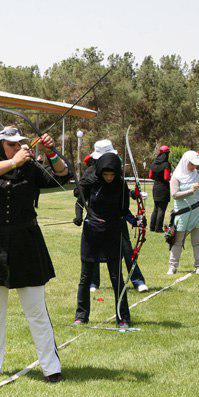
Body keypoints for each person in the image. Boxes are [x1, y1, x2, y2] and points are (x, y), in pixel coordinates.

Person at [0, 126, 69, 383]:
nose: (18, 147)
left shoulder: (29, 166)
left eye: (19, 143)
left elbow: (62, 175)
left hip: (26, 244)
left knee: (36, 312)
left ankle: (51, 367)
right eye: (11, 144)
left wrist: (52, 152)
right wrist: (13, 162)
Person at [74, 151, 141, 328]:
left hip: (112, 233)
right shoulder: (91, 181)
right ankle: (81, 316)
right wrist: (79, 217)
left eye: (112, 174)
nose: (109, 178)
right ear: (100, 172)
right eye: (106, 174)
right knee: (86, 277)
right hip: (92, 232)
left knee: (116, 277)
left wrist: (136, 221)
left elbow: (124, 211)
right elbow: (80, 201)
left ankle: (123, 317)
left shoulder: (120, 185)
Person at [75, 140, 148, 293]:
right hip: (96, 220)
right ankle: (93, 282)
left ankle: (137, 280)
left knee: (127, 249)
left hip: (116, 220)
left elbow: (120, 193)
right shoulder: (90, 172)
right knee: (93, 252)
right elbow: (79, 193)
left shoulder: (115, 169)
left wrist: (134, 196)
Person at [168, 151, 199, 274]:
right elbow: (175, 195)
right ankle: (173, 267)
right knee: (177, 241)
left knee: (198, 241)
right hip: (182, 213)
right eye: (192, 164)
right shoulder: (176, 176)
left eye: (195, 164)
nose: (194, 167)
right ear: (185, 162)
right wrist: (191, 190)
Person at [148, 145, 171, 232]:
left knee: (156, 208)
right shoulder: (166, 164)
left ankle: (152, 227)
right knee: (162, 209)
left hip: (155, 187)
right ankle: (158, 228)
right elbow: (166, 177)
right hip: (163, 188)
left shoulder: (154, 163)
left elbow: (150, 176)